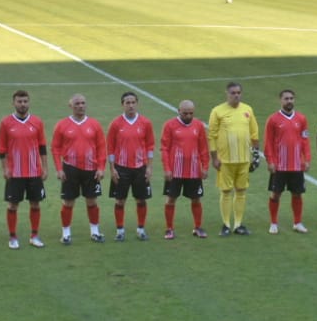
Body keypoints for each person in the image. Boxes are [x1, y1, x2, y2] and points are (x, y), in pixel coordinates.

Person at [51, 93, 107, 244]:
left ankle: (95, 232)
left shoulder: (94, 124)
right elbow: (55, 148)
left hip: (91, 169)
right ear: (71, 106)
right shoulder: (62, 125)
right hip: (70, 169)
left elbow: (102, 147)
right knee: (68, 202)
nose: (81, 106)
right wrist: (59, 169)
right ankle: (66, 234)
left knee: (92, 201)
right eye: (77, 104)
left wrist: (101, 168)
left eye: (83, 103)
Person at [0, 89, 49, 249]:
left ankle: (34, 235)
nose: (22, 104)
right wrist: (5, 168)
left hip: (34, 172)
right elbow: (2, 149)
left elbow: (42, 146)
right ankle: (13, 237)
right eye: (19, 101)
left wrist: (45, 167)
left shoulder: (37, 122)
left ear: (29, 102)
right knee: (12, 205)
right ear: (13, 103)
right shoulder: (6, 123)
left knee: (35, 204)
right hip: (15, 173)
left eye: (25, 101)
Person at [207, 81, 259, 235]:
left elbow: (254, 133)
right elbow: (212, 135)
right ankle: (225, 225)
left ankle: (238, 224)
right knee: (226, 191)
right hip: (225, 160)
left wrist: (256, 156)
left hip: (244, 159)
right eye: (233, 93)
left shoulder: (247, 109)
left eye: (238, 93)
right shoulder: (217, 111)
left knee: (241, 190)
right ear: (227, 94)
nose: (236, 95)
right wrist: (214, 158)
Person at [106, 91, 156, 242]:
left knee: (141, 200)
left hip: (140, 168)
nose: (131, 105)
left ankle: (141, 229)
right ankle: (120, 230)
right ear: (122, 105)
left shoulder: (145, 123)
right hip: (121, 168)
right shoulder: (116, 124)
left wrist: (149, 167)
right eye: (127, 103)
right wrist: (112, 168)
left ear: (137, 103)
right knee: (120, 201)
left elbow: (150, 146)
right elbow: (110, 147)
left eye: (133, 102)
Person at [263, 88, 311, 234]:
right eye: (286, 99)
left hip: (296, 165)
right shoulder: (273, 119)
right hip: (279, 165)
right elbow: (268, 142)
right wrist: (270, 161)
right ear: (281, 100)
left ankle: (297, 223)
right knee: (275, 194)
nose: (289, 101)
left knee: (297, 194)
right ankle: (273, 223)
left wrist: (307, 159)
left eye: (291, 98)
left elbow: (305, 140)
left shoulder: (301, 119)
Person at [160, 99, 210, 239]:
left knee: (196, 199)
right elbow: (164, 148)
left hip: (194, 171)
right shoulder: (170, 125)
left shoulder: (198, 125)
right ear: (179, 111)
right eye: (185, 113)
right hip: (175, 171)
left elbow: (203, 147)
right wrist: (167, 168)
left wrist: (205, 166)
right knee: (171, 199)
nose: (188, 116)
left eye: (191, 113)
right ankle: (169, 229)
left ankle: (198, 227)